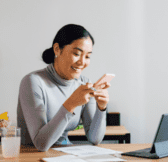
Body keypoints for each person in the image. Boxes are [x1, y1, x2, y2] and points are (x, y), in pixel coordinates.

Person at [17, 24, 110, 152]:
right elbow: (41, 144)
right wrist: (71, 103)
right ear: (57, 49)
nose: (82, 62)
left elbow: (94, 139)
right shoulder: (33, 82)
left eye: (87, 56)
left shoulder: (83, 83)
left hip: (65, 153)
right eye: (77, 53)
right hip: (31, 156)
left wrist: (101, 108)